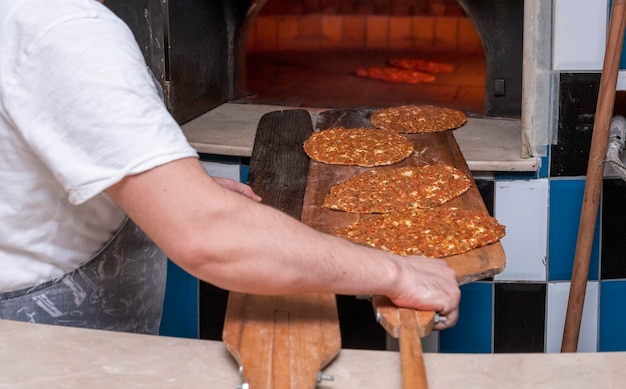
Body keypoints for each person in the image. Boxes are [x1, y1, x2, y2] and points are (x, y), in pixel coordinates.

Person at [0, 0, 460, 334]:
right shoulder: (64, 28)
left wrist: (172, 188)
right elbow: (209, 238)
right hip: (44, 341)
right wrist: (399, 274)